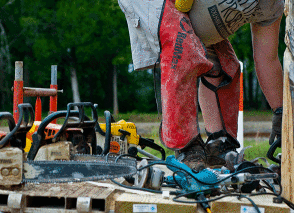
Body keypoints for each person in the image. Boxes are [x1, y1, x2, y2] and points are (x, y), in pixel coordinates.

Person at [118, 0, 284, 171]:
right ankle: (187, 148)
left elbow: (267, 59)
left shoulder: (272, 5)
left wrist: (280, 111)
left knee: (225, 65)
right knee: (183, 50)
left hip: (194, 15)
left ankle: (219, 145)